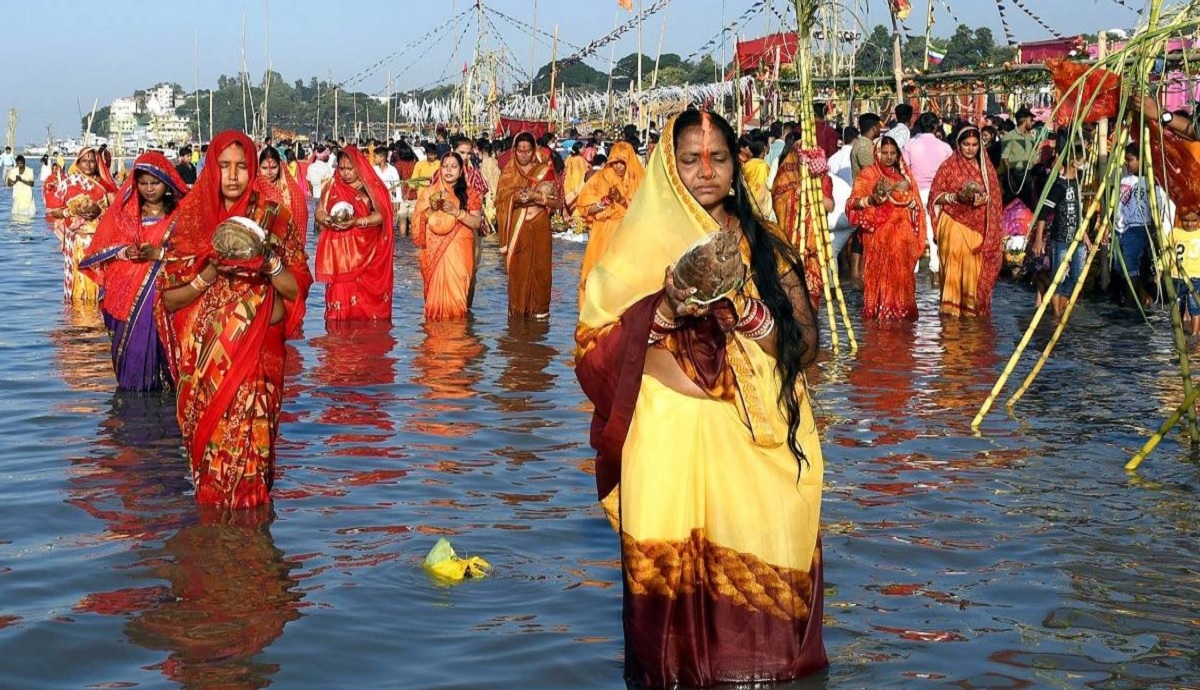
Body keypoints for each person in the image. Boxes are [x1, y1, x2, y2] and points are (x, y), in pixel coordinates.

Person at [574, 109, 825, 687]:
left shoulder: (766, 247)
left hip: (752, 440)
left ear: (737, 168)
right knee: (671, 637)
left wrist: (751, 313)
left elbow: (807, 346)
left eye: (717, 159)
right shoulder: (634, 251)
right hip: (667, 439)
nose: (704, 172)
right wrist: (662, 311)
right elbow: (592, 350)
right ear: (669, 165)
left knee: (761, 595)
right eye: (689, 159)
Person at [156, 130, 311, 509]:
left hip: (257, 357)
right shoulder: (191, 220)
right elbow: (170, 300)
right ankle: (217, 536)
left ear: (254, 169)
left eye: (242, 166)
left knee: (252, 466)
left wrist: (268, 262)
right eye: (224, 166)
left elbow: (294, 289)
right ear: (211, 167)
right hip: (205, 369)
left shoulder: (273, 217)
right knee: (211, 472)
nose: (233, 175)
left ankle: (250, 530)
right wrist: (207, 274)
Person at [78, 152, 188, 391]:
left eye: (154, 183)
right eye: (143, 183)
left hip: (164, 295)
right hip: (126, 296)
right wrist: (126, 253)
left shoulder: (179, 217)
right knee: (131, 360)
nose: (149, 189)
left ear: (166, 183)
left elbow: (191, 257)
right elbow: (106, 248)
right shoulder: (124, 216)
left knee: (165, 364)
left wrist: (158, 255)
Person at [927, 126, 1004, 317]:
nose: (970, 149)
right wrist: (957, 198)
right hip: (953, 225)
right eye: (966, 144)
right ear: (958, 145)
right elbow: (935, 197)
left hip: (978, 229)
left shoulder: (987, 170)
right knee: (953, 271)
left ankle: (971, 319)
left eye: (974, 145)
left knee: (974, 274)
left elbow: (995, 197)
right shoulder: (948, 167)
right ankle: (951, 325)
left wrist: (984, 199)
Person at [847, 136, 927, 320]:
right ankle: (881, 314)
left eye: (892, 153)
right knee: (881, 276)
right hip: (879, 236)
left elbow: (916, 206)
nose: (889, 157)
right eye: (885, 153)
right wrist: (872, 199)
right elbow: (852, 203)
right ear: (877, 153)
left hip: (903, 237)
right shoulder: (868, 175)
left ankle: (900, 315)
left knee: (901, 276)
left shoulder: (904, 177)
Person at [314, 146, 396, 322]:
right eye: (341, 169)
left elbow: (383, 216)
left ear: (358, 166)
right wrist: (327, 220)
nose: (345, 173)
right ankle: (338, 343)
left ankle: (366, 342)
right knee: (339, 309)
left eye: (350, 169)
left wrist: (357, 222)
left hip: (367, 254)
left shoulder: (371, 187)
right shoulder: (332, 185)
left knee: (365, 310)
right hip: (339, 259)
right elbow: (319, 211)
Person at [496, 132, 562, 317]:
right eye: (520, 150)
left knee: (541, 271)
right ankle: (518, 320)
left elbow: (557, 203)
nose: (523, 154)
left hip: (540, 226)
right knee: (518, 274)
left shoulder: (544, 171)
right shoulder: (507, 174)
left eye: (527, 150)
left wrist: (537, 197)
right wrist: (514, 198)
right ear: (514, 151)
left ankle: (540, 318)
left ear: (533, 150)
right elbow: (500, 202)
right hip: (519, 228)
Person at [412, 152, 483, 319]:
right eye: (445, 166)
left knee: (457, 299)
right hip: (433, 252)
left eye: (454, 166)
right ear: (440, 169)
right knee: (433, 304)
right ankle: (435, 342)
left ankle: (457, 341)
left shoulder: (469, 194)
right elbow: (417, 223)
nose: (449, 170)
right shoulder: (429, 193)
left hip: (459, 252)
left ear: (461, 170)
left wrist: (457, 212)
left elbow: (476, 223)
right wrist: (432, 208)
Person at [46, 147, 120, 302]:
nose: (88, 164)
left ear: (97, 163)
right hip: (76, 241)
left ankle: (95, 310)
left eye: (92, 161)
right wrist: (71, 212)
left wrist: (99, 212)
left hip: (98, 241)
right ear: (78, 162)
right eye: (84, 161)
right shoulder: (68, 183)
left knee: (96, 281)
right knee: (78, 280)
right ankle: (77, 313)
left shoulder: (104, 185)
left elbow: (116, 212)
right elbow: (53, 210)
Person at [576, 140, 645, 298]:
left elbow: (643, 211)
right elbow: (586, 208)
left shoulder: (639, 182)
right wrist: (605, 201)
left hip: (627, 237)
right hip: (603, 235)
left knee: (624, 282)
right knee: (598, 280)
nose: (618, 167)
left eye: (622, 163)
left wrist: (622, 200)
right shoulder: (600, 179)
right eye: (615, 162)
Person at [1029, 145, 1091, 317]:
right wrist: (1039, 239)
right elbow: (1043, 212)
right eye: (1082, 159)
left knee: (1076, 277)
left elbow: (1078, 213)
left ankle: (1060, 310)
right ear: (1073, 161)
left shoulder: (1076, 185)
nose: (1084, 163)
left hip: (1076, 239)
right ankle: (1057, 314)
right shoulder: (1059, 186)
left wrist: (1085, 236)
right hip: (1061, 238)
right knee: (1059, 277)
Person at [772, 144, 836, 309]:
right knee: (791, 297)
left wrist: (813, 192)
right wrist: (798, 193)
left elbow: (830, 206)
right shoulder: (786, 181)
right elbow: (779, 199)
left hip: (815, 251)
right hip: (791, 248)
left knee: (813, 299)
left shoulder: (822, 179)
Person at [1114, 142, 1166, 308]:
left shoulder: (1152, 181)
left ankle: (1142, 297)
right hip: (1123, 227)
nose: (1127, 164)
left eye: (1130, 160)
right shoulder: (1125, 180)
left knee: (1130, 266)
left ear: (1141, 159)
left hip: (1139, 226)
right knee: (1122, 268)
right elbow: (1120, 205)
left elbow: (1158, 206)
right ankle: (1134, 299)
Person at [903, 112, 953, 274]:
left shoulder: (910, 145)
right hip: (937, 194)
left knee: (916, 229)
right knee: (935, 230)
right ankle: (935, 267)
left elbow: (904, 169)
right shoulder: (944, 147)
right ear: (935, 126)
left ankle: (914, 267)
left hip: (916, 192)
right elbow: (951, 172)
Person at [259, 146, 310, 255]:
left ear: (280, 166)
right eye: (264, 168)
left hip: (290, 246)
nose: (269, 172)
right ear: (259, 167)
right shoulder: (255, 187)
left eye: (273, 167)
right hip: (261, 247)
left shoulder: (291, 190)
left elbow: (301, 213)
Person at [1168, 209, 1200, 335]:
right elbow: (1167, 252)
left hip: (1196, 276)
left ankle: (1195, 333)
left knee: (1195, 306)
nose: (1189, 224)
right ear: (1180, 219)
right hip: (1177, 275)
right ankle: (1178, 331)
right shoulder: (1175, 233)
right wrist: (1160, 269)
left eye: (1194, 221)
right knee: (1177, 304)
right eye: (1185, 220)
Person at [1000, 107, 1038, 204]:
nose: (1032, 122)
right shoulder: (1009, 136)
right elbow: (1005, 158)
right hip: (1013, 178)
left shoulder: (1030, 138)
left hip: (1028, 177)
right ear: (1024, 120)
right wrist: (1010, 179)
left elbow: (1034, 158)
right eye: (1030, 120)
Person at [372, 146, 402, 226]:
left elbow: (397, 185)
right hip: (376, 200)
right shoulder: (373, 169)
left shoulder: (392, 170)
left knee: (389, 221)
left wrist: (397, 201)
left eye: (375, 157)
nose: (373, 159)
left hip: (389, 199)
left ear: (382, 158)